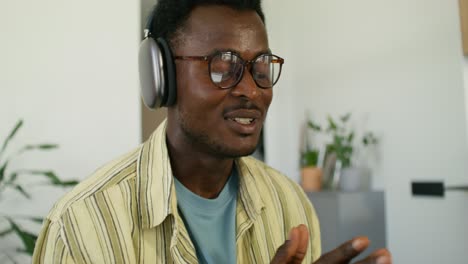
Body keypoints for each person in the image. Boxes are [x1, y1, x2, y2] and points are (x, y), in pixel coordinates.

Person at [33, 0, 392, 263]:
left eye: (261, 67)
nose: (251, 91)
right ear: (161, 78)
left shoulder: (289, 203)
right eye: (223, 67)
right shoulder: (83, 223)